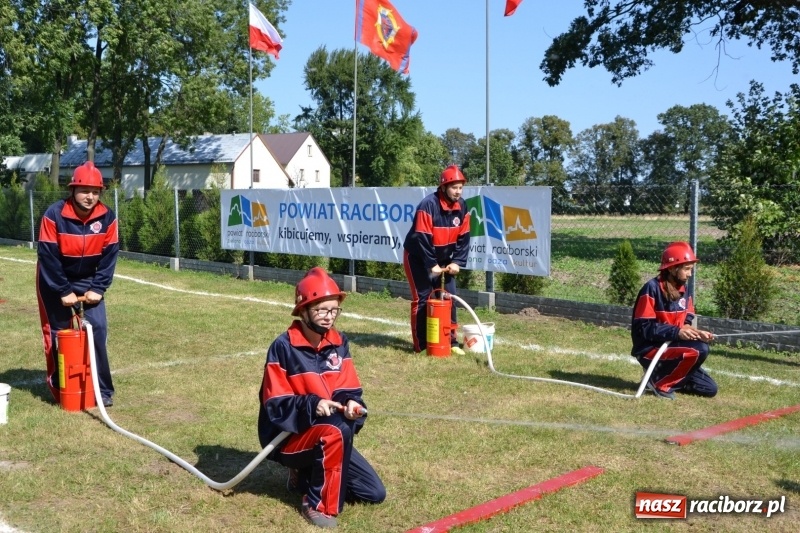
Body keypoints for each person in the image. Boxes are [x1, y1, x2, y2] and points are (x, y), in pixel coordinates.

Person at [257, 267, 385, 529]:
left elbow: (348, 387)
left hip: (329, 432)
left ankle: (303, 475)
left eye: (334, 310)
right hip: (287, 438)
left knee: (372, 493)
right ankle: (317, 504)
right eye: (322, 310)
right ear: (303, 310)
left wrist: (352, 403)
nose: (329, 317)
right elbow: (275, 405)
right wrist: (313, 404)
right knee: (336, 432)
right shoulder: (283, 347)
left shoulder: (339, 342)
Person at [36, 161, 119, 408]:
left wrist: (98, 288)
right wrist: (63, 290)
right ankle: (60, 386)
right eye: (84, 191)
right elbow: (48, 257)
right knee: (58, 334)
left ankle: (102, 390)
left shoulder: (108, 218)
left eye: (95, 192)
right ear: (72, 190)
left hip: (88, 280)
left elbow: (109, 256)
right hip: (54, 279)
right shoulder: (54, 215)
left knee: (98, 330)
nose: (90, 197)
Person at [631, 241, 718, 400]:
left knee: (709, 388)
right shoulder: (651, 288)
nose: (690, 274)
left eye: (691, 269)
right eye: (686, 269)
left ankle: (659, 376)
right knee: (700, 349)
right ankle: (661, 384)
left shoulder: (685, 290)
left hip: (672, 345)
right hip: (650, 349)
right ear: (671, 268)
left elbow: (686, 320)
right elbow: (644, 328)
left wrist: (696, 333)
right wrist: (677, 332)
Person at [403, 164, 471, 355]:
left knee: (449, 297)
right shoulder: (428, 205)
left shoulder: (463, 206)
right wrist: (431, 263)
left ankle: (451, 341)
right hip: (418, 258)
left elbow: (464, 237)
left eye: (460, 188)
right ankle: (421, 345)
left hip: (443, 259)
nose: (458, 192)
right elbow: (422, 237)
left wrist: (457, 261)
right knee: (423, 299)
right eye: (454, 187)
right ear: (443, 187)